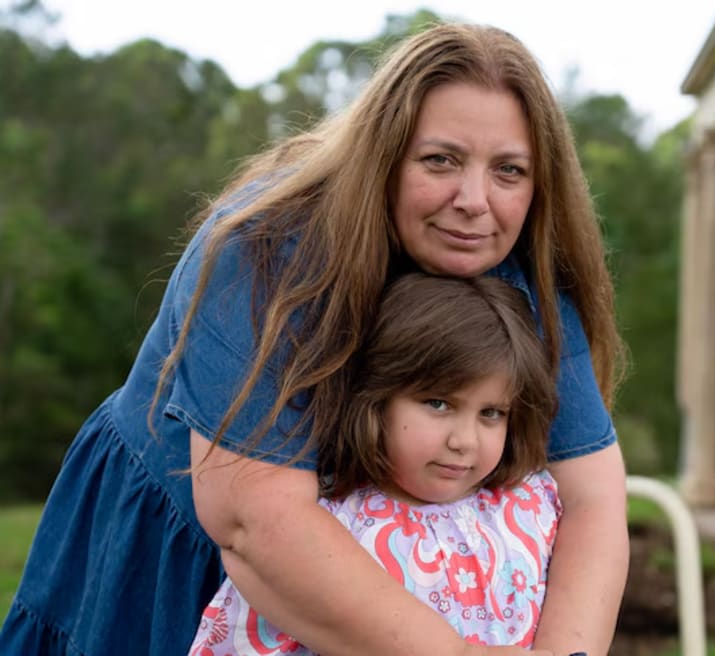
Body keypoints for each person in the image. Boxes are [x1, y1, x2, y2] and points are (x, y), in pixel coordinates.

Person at [2, 22, 628, 656]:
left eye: (509, 170)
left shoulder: (528, 275)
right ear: (385, 154)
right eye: (440, 159)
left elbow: (593, 498)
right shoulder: (265, 249)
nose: (474, 200)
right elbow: (254, 522)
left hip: (388, 608)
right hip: (181, 561)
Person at [189, 273, 561, 655]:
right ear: (377, 399)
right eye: (438, 404)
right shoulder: (325, 531)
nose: (464, 441)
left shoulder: (527, 507)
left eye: (491, 413)